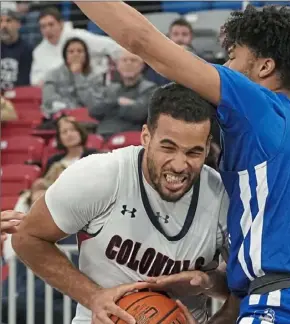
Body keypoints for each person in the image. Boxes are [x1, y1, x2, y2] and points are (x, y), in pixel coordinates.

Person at [75, 3, 290, 323]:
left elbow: (142, 41)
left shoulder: (256, 104)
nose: (226, 65)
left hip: (288, 301)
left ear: (264, 67)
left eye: (233, 57)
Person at [9, 84, 230, 324]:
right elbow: (26, 238)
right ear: (146, 136)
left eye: (194, 153)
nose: (179, 165)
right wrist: (93, 296)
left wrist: (208, 283)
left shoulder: (222, 197)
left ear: (208, 147)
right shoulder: (102, 175)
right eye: (168, 147)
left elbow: (245, 285)